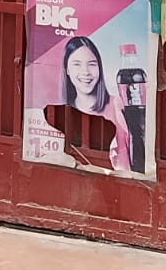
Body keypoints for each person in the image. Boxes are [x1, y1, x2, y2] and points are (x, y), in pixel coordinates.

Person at [51, 34, 133, 172]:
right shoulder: (58, 109)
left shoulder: (115, 104)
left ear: (100, 68)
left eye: (92, 64)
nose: (86, 72)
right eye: (77, 64)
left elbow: (125, 162)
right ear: (67, 70)